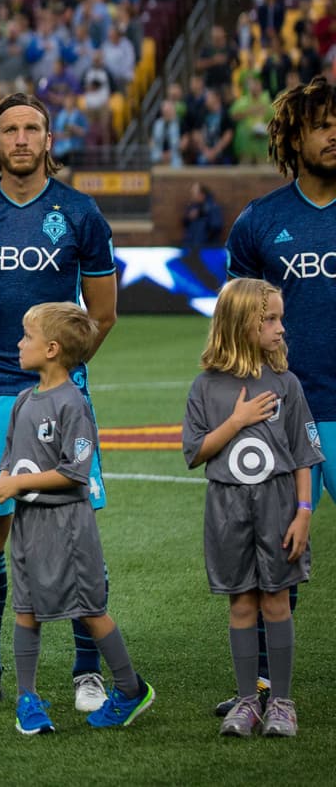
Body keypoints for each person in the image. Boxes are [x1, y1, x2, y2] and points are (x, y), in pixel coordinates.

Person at [0, 93, 118, 712]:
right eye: (9, 129)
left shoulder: (80, 213)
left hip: (61, 397)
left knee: (74, 532)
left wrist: (60, 381)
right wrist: (0, 355)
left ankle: (87, 673)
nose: (20, 139)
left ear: (48, 139)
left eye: (32, 129)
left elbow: (102, 313)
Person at [0, 302, 154, 734]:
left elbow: (75, 472)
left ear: (51, 349)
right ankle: (28, 699)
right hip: (29, 526)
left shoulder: (73, 404)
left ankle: (129, 688)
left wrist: (15, 487)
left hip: (69, 526)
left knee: (89, 608)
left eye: (26, 337)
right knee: (26, 609)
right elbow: (10, 463)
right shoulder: (22, 401)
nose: (19, 343)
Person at [221, 75, 336, 715]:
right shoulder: (260, 223)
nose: (334, 134)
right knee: (274, 553)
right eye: (321, 124)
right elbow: (239, 326)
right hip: (280, 415)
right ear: (293, 135)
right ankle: (262, 683)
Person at [182, 279, 319, 738]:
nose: (282, 328)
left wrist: (303, 511)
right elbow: (195, 452)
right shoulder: (205, 387)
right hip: (227, 507)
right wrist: (236, 421)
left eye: (281, 318)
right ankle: (247, 701)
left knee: (276, 600)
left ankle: (281, 701)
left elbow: (303, 453)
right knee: (241, 603)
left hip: (279, 504)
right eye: (272, 319)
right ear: (243, 324)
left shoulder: (287, 383)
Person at [182, 182, 224, 251]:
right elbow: (184, 223)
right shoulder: (192, 207)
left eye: (194, 193)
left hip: (207, 248)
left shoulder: (213, 207)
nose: (192, 196)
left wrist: (206, 241)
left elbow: (216, 227)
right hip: (191, 247)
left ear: (202, 194)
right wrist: (189, 218)